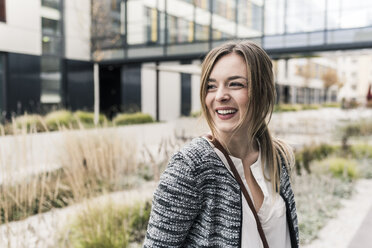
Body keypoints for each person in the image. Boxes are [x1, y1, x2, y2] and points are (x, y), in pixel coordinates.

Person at [143, 40, 299, 248]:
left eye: (235, 84)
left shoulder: (276, 157)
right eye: (211, 86)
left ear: (262, 91)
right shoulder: (191, 166)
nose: (220, 96)